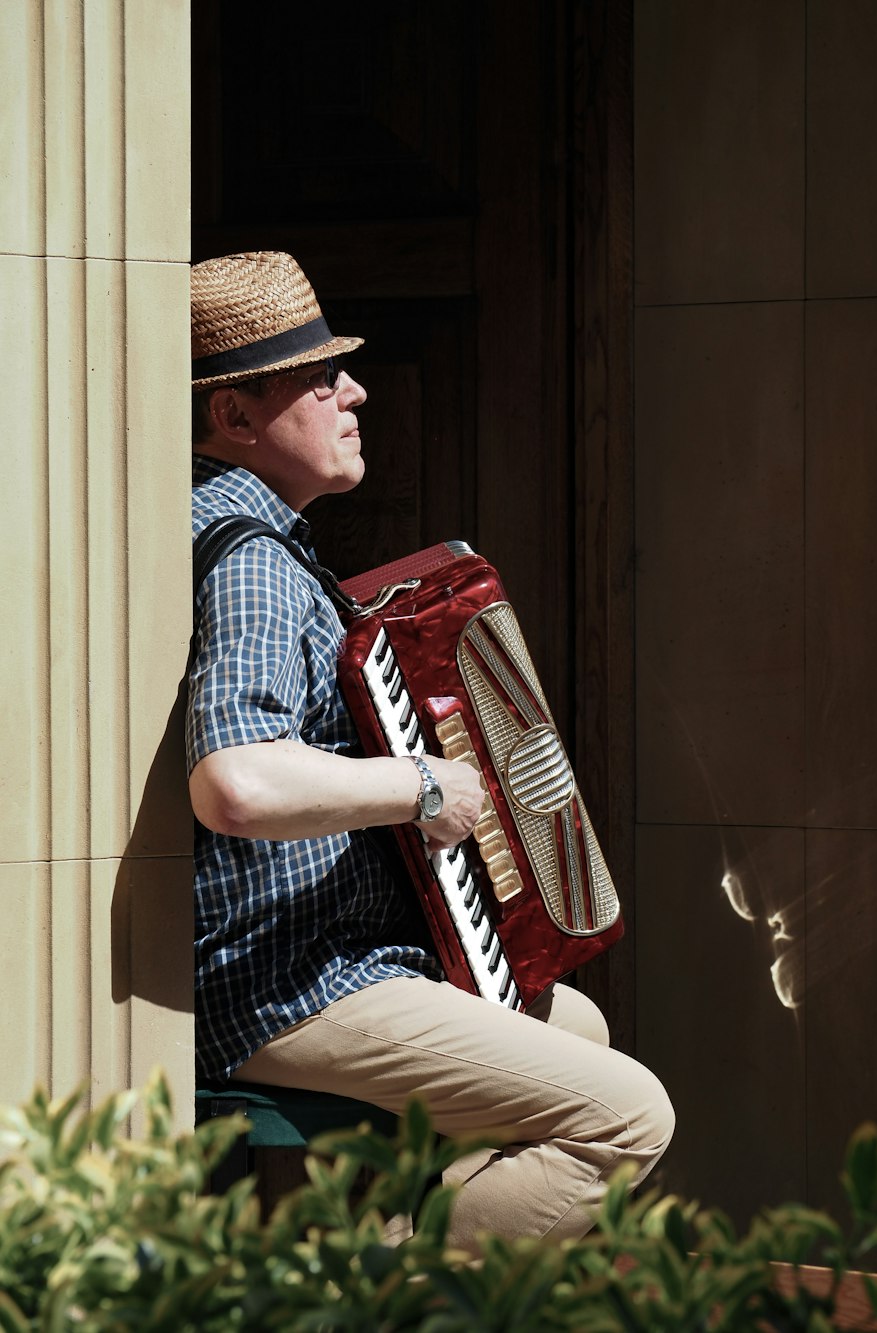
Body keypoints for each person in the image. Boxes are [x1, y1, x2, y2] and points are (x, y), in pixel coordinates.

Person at [187, 250, 674, 1252]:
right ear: (234, 418)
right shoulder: (253, 569)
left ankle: (390, 1243)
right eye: (319, 378)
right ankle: (348, 1290)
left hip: (298, 955)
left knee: (574, 1028)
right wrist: (420, 785)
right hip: (283, 979)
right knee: (626, 1118)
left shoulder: (204, 528)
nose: (354, 391)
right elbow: (233, 783)